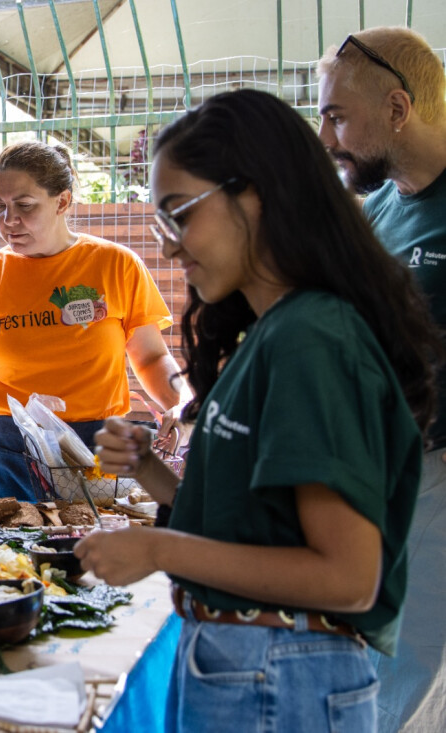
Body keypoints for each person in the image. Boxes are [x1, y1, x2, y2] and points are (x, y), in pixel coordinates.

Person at [76, 89, 441, 732]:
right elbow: (256, 526)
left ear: (256, 194)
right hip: (253, 668)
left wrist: (160, 549)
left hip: (282, 676)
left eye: (179, 215)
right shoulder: (269, 334)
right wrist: (149, 474)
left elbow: (346, 577)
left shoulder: (313, 337)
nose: (169, 248)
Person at [316, 27, 446, 732]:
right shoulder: (385, 207)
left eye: (337, 115)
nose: (326, 133)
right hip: (388, 472)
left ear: (398, 108)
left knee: (418, 679)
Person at [0, 140, 187, 502]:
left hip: (97, 450)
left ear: (63, 202)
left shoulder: (117, 264)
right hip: (7, 452)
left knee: (89, 555)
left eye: (24, 205)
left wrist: (179, 403)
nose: (9, 221)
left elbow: (150, 358)